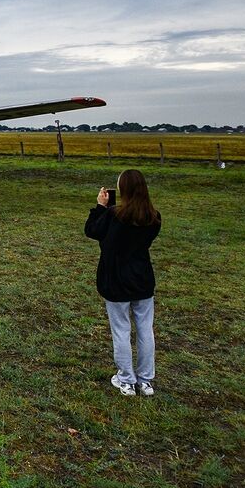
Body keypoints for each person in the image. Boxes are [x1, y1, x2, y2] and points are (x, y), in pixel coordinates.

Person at [85, 169, 161, 397]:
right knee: (145, 330)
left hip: (116, 280)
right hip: (142, 279)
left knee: (121, 330)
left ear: (123, 189)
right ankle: (145, 381)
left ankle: (126, 380)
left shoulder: (112, 216)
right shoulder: (153, 217)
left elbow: (92, 231)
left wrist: (100, 207)